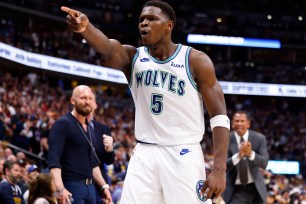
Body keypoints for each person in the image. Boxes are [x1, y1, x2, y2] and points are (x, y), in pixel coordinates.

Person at [61, 1, 230, 203]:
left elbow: (219, 115)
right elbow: (108, 49)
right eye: (142, 19)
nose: (144, 23)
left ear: (169, 26)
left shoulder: (196, 60)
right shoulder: (133, 57)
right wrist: (85, 28)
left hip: (183, 152)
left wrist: (219, 168)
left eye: (152, 19)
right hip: (144, 153)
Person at [47, 85, 112, 204]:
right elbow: (53, 159)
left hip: (91, 188)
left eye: (90, 98)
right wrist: (60, 188)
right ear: (73, 100)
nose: (87, 101)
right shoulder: (62, 124)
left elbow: (92, 163)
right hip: (72, 186)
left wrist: (104, 186)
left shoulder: (89, 128)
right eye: (83, 98)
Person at [222, 111, 269, 204]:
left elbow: (264, 163)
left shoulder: (259, 138)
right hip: (235, 190)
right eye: (237, 121)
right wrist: (239, 155)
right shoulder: (225, 139)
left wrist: (250, 153)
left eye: (242, 121)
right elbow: (223, 166)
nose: (239, 123)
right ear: (232, 124)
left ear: (248, 124)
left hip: (256, 190)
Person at [87, 96, 115, 204]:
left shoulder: (103, 128)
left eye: (91, 100)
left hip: (99, 184)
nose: (87, 103)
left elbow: (110, 161)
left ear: (95, 106)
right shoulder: (72, 125)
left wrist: (109, 149)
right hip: (78, 180)